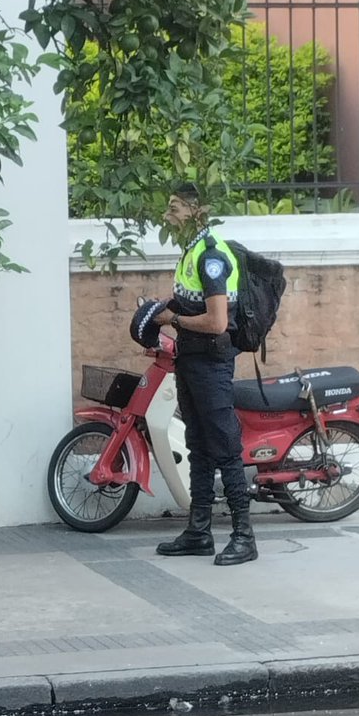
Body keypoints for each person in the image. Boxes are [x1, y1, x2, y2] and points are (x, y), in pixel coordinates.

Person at [151, 182, 257, 566]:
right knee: (198, 445)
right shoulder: (190, 252)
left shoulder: (212, 256)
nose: (169, 215)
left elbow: (216, 322)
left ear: (196, 211)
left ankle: (244, 536)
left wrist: (172, 318)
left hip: (212, 364)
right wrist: (157, 312)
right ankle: (198, 532)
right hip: (191, 362)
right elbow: (184, 303)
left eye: (175, 207)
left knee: (225, 447)